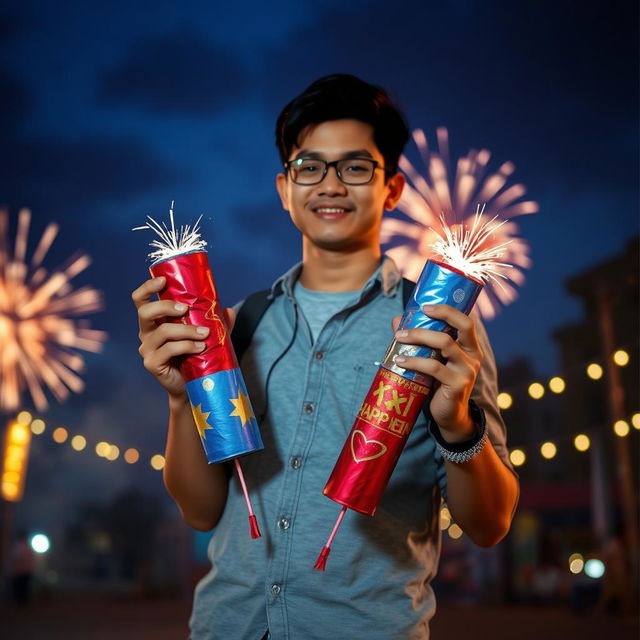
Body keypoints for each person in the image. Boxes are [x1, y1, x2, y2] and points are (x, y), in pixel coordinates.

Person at [132, 74, 519, 639]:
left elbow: (490, 524)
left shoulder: (438, 326)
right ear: (284, 188)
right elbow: (200, 512)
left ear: (392, 188)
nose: (330, 185)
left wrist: (457, 425)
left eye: (355, 167)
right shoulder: (237, 324)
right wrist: (178, 398)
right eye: (309, 167)